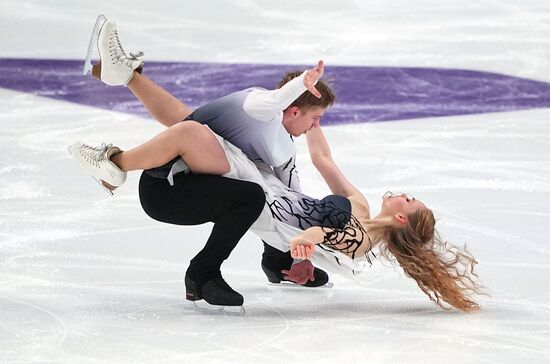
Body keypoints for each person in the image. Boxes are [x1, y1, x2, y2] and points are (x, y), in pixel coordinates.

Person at [74, 15, 336, 307]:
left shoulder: (283, 152)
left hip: (192, 180)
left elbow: (290, 202)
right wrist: (303, 82)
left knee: (260, 187)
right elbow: (276, 101)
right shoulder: (260, 108)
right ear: (296, 110)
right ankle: (115, 164)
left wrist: (296, 255)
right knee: (228, 168)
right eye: (316, 118)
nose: (316, 127)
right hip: (166, 188)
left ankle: (123, 76)